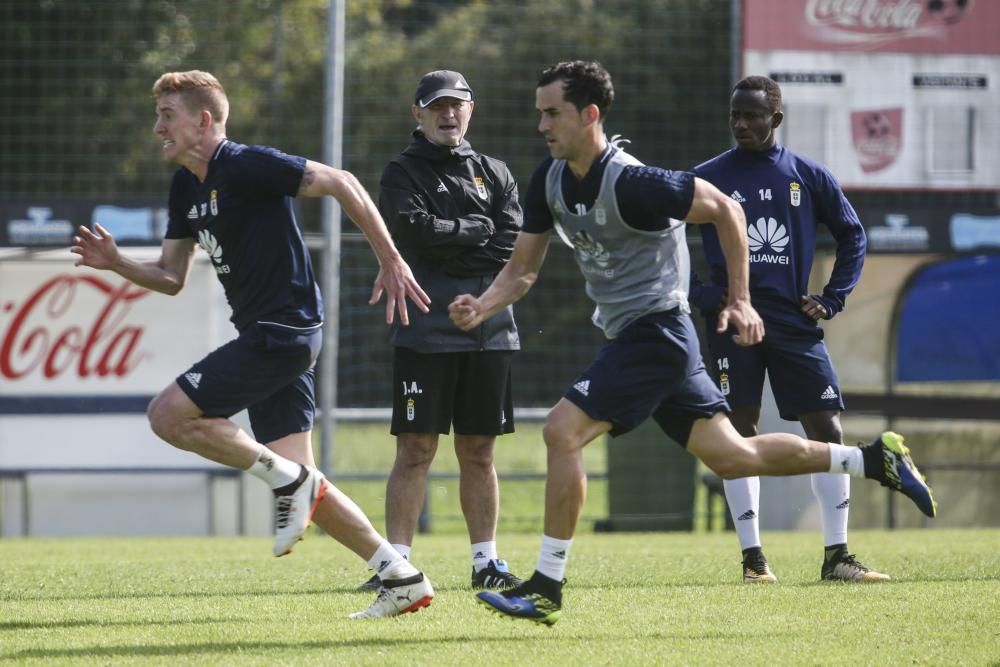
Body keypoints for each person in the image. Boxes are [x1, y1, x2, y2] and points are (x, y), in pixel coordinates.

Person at [448, 60, 936, 626]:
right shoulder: (550, 180)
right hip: (650, 339)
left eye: (552, 113)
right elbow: (523, 270)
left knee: (562, 430)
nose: (541, 126)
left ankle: (545, 585)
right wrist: (483, 304)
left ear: (590, 115)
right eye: (539, 113)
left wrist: (740, 298)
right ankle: (874, 460)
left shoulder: (635, 181)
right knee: (736, 456)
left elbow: (726, 209)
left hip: (655, 332)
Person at [70, 70, 434, 620]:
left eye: (167, 115)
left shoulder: (244, 163)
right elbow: (171, 276)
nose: (157, 127)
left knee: (168, 415)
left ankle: (288, 483)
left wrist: (390, 258)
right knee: (307, 483)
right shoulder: (185, 186)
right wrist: (117, 263)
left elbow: (341, 181)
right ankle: (400, 575)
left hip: (284, 330)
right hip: (269, 338)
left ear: (204, 120)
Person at [690, 75, 885, 584]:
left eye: (752, 115)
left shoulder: (806, 174)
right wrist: (706, 295)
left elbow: (852, 234)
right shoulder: (708, 177)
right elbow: (660, 235)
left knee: (828, 430)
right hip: (733, 323)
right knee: (738, 435)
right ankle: (754, 560)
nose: (742, 123)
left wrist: (832, 298)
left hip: (794, 325)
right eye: (735, 114)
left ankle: (837, 556)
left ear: (776, 118)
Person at [356, 70, 523, 592]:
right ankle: (396, 565)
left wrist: (460, 238)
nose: (448, 114)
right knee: (415, 450)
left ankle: (486, 563)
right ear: (418, 114)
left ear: (471, 109)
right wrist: (474, 229)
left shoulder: (495, 171)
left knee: (480, 451)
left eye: (457, 105)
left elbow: (510, 245)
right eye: (437, 106)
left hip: (490, 330)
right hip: (424, 327)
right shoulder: (401, 172)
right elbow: (412, 234)